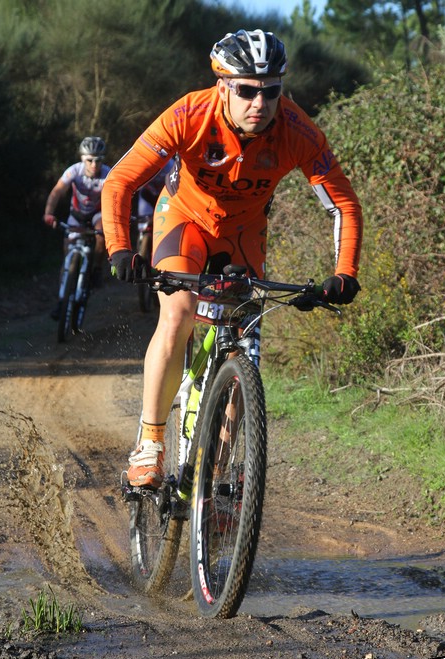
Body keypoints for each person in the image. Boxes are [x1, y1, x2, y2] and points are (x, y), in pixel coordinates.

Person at [101, 29, 363, 489]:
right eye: (246, 91)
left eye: (271, 91)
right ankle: (150, 444)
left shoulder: (297, 131)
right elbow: (120, 181)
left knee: (247, 345)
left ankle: (215, 478)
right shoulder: (190, 114)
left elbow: (343, 204)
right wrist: (120, 249)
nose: (259, 103)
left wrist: (344, 273)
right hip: (184, 220)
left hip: (243, 234)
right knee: (178, 314)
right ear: (222, 85)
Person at [43, 136, 110, 319]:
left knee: (102, 233)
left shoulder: (108, 174)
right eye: (90, 160)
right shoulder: (74, 170)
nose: (94, 165)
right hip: (77, 215)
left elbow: (116, 198)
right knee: (67, 258)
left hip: (97, 214)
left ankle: (97, 269)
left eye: (98, 160)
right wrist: (49, 213)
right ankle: (61, 300)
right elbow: (57, 192)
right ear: (82, 158)